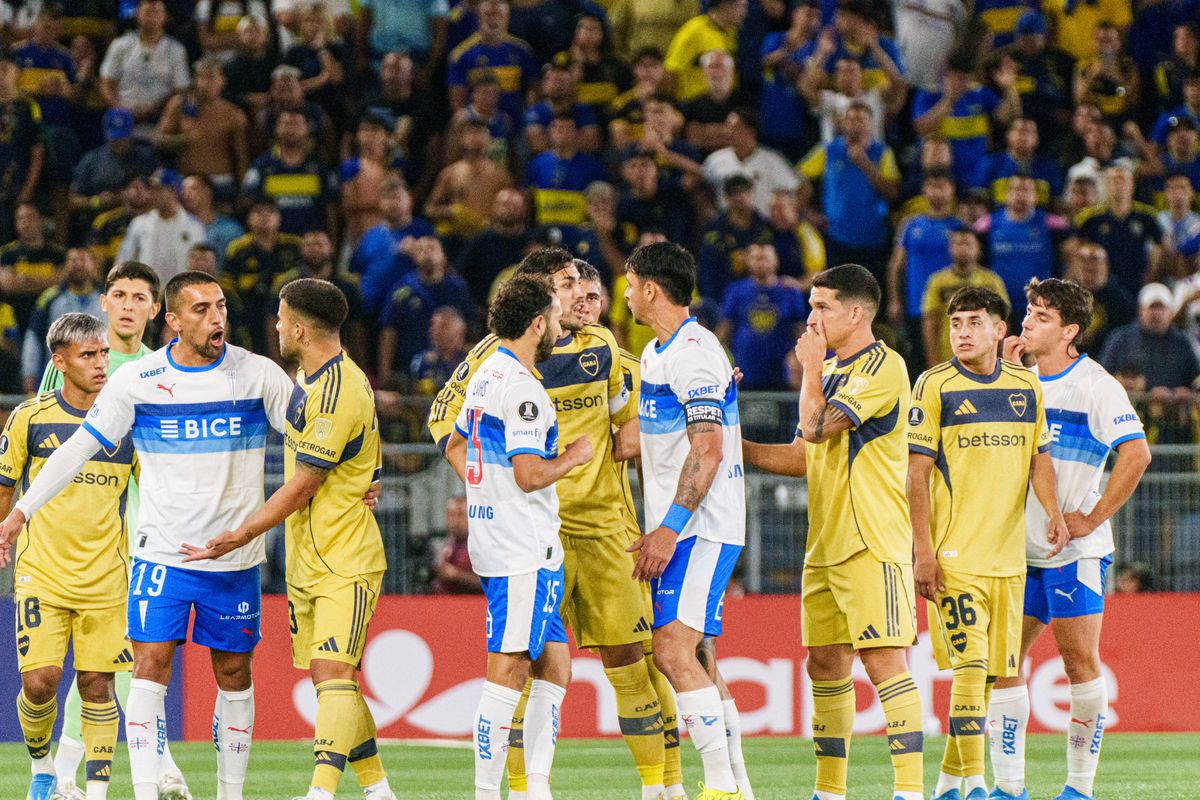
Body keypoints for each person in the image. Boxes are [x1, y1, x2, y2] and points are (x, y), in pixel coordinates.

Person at [0, 272, 302, 800]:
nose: (217, 318)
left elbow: (313, 429)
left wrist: (359, 476)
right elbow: (77, 449)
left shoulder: (257, 374)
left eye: (222, 307)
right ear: (174, 319)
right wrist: (21, 510)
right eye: (202, 309)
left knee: (234, 674)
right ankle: (143, 790)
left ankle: (229, 794)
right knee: (147, 668)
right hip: (160, 556)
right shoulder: (138, 381)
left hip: (234, 561)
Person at [429, 248, 684, 800]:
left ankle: (661, 787)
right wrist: (493, 485)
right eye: (568, 285)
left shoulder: (603, 348)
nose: (580, 297)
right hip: (531, 532)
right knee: (524, 669)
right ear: (541, 298)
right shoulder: (491, 358)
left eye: (583, 287)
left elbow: (632, 422)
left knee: (629, 660)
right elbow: (442, 426)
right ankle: (518, 789)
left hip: (601, 531)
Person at [180, 278, 396, 800]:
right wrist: (370, 475)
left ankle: (320, 791)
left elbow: (304, 483)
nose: (276, 326)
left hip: (346, 556)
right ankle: (379, 790)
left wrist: (242, 534)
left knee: (331, 672)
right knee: (336, 677)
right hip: (309, 559)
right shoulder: (307, 378)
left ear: (299, 328)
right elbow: (365, 449)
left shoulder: (341, 387)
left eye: (280, 318)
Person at [741, 264, 924, 800]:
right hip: (824, 543)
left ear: (857, 312)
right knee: (823, 662)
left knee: (884, 662)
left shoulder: (883, 367)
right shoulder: (836, 372)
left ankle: (909, 792)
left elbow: (817, 429)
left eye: (822, 307)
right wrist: (735, 444)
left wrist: (811, 370)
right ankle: (829, 791)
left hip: (872, 540)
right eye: (811, 306)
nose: (811, 318)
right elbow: (802, 456)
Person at [34, 264, 190, 800]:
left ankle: (71, 773)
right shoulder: (74, 362)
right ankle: (157, 765)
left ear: (154, 311)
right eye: (118, 294)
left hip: (146, 529)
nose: (127, 305)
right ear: (103, 303)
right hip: (84, 533)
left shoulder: (163, 370)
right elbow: (46, 434)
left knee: (118, 655)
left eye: (138, 297)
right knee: (106, 657)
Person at [991, 278, 1151, 800]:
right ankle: (1008, 788)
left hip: (1072, 553)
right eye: (1028, 312)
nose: (1026, 322)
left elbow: (1137, 454)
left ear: (1070, 332)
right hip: (1017, 550)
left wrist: (1091, 516)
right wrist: (1007, 377)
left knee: (1078, 662)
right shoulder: (1015, 380)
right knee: (1002, 663)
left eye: (1040, 316)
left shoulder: (1095, 385)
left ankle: (1079, 789)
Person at [906, 286, 1068, 800]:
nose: (962, 333)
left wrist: (1055, 513)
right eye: (956, 324)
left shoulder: (1027, 387)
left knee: (994, 673)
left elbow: (1039, 458)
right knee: (972, 669)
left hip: (1008, 559)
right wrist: (924, 552)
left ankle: (949, 783)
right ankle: (977, 784)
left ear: (1001, 330)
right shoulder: (934, 384)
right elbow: (916, 475)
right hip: (955, 560)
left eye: (974, 323)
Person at [443, 274, 592, 800]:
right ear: (537, 323)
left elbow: (454, 447)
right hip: (522, 549)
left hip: (508, 541)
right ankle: (488, 793)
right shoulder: (524, 389)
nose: (558, 324)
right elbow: (529, 474)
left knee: (555, 664)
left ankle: (537, 789)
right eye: (554, 316)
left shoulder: (486, 375)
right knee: (507, 670)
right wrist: (572, 456)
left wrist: (487, 494)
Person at [623, 242, 748, 799]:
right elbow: (645, 437)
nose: (624, 294)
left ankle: (718, 786)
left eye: (628, 284)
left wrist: (668, 528)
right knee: (696, 653)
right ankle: (738, 785)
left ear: (651, 288)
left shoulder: (693, 352)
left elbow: (708, 449)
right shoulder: (657, 352)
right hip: (690, 525)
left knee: (672, 648)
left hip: (702, 525)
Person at [0, 313, 137, 800]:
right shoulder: (29, 418)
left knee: (98, 683)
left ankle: (94, 793)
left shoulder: (127, 420)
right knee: (40, 682)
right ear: (59, 361)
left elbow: (159, 485)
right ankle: (43, 766)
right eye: (88, 355)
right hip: (43, 574)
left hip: (107, 577)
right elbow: (4, 486)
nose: (101, 363)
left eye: (103, 353)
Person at [799, 102, 900, 289]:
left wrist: (865, 164)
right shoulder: (828, 150)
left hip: (873, 238)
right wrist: (808, 212)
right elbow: (799, 179)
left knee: (869, 294)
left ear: (871, 124)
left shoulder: (882, 152)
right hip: (837, 237)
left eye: (861, 119)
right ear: (842, 123)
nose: (855, 124)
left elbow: (892, 192)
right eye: (850, 119)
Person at [376, 236, 473, 387]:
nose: (426, 253)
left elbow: (470, 325)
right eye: (420, 250)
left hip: (454, 370)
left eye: (432, 248)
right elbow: (389, 332)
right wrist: (385, 374)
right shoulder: (401, 291)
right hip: (410, 372)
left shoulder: (458, 288)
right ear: (414, 258)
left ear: (444, 256)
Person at [154, 56, 249, 200]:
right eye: (201, 77)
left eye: (210, 77)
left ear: (222, 81)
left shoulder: (233, 114)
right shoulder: (179, 105)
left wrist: (244, 191)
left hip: (221, 181)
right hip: (187, 181)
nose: (205, 83)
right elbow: (157, 141)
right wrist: (184, 139)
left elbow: (241, 157)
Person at [716, 242, 807, 390]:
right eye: (756, 258)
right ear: (747, 261)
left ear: (776, 260)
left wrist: (802, 362)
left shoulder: (790, 291)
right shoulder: (735, 290)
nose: (760, 263)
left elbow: (799, 330)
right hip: (745, 370)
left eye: (765, 258)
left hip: (780, 373)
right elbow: (725, 328)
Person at [220, 199, 303, 354]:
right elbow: (226, 288)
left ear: (279, 217)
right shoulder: (237, 249)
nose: (265, 217)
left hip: (289, 315)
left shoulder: (295, 246)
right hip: (248, 317)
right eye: (258, 212)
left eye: (270, 212)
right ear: (248, 218)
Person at [99, 0, 191, 138]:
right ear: (137, 14)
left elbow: (180, 89)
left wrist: (154, 109)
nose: (152, 17)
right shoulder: (119, 45)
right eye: (147, 12)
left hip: (160, 120)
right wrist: (119, 109)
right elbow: (106, 83)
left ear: (165, 17)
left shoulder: (176, 50)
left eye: (157, 12)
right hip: (123, 119)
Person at [920, 230, 1009, 367]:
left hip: (985, 361)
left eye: (967, 244)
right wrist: (932, 360)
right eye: (957, 244)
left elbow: (1002, 321)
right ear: (950, 248)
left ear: (978, 248)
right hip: (948, 359)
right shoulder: (937, 281)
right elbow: (930, 321)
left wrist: (1000, 356)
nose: (962, 249)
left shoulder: (992, 281)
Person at [1073, 162, 1163, 296]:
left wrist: (1150, 275)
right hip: (1101, 285)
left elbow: (1159, 246)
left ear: (1132, 185)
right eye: (1114, 181)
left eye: (1123, 181)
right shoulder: (1090, 218)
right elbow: (1076, 249)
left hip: (1136, 281)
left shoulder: (1146, 216)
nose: (1119, 186)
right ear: (1106, 185)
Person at [21, 249, 103, 394]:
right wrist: (29, 373)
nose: (78, 265)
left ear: (94, 265)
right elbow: (33, 337)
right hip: (58, 382)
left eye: (83, 260)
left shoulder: (110, 299)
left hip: (102, 381)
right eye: (73, 260)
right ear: (65, 266)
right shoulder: (50, 299)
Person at [350, 176, 435, 317]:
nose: (393, 203)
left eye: (397, 198)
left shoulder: (424, 231)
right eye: (387, 198)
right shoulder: (371, 235)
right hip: (371, 311)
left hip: (409, 312)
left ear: (410, 200)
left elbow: (440, 269)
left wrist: (416, 254)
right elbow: (356, 271)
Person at [1099, 283, 1200, 391]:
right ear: (1140, 310)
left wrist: (1186, 392)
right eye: (1151, 307)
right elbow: (1101, 376)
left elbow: (1195, 380)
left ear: (1171, 312)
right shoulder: (1120, 340)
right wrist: (1120, 383)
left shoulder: (1182, 343)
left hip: (1172, 407)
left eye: (1161, 308)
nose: (1156, 313)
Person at [117, 168, 208, 283]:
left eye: (158, 190)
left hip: (181, 294)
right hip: (148, 294)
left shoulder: (194, 227)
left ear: (173, 191)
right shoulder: (139, 225)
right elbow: (124, 262)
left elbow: (202, 269)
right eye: (152, 189)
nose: (153, 194)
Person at [701, 108, 799, 215]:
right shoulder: (715, 160)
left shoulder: (772, 160)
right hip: (727, 227)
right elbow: (702, 187)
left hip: (763, 226)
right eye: (727, 127)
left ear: (750, 130)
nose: (728, 132)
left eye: (734, 127)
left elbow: (798, 189)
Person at [432, 496, 481, 594]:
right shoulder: (445, 544)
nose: (455, 520)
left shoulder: (480, 545)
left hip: (473, 604)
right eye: (451, 515)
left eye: (460, 515)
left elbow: (491, 583)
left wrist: (458, 575)